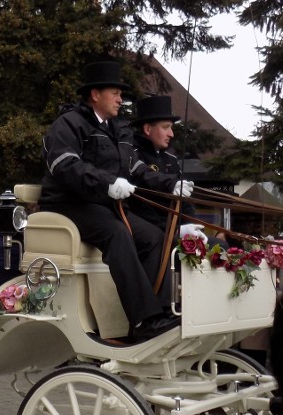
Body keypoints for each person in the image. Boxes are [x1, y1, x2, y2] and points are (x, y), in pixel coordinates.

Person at [40, 61, 189, 340]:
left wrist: (172, 184)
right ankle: (144, 321)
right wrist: (107, 183)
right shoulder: (68, 125)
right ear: (95, 95)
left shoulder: (117, 131)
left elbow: (138, 170)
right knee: (117, 233)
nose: (121, 99)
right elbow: (66, 167)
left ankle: (156, 311)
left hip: (103, 205)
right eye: (115, 93)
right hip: (68, 204)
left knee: (155, 237)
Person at [128, 95, 214, 246]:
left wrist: (195, 228)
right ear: (147, 129)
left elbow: (185, 202)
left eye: (171, 128)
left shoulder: (171, 159)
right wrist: (176, 231)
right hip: (153, 235)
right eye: (166, 127)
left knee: (220, 246)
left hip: (177, 230)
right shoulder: (132, 154)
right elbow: (139, 204)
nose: (171, 134)